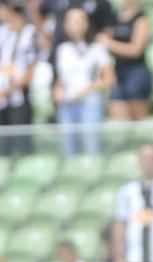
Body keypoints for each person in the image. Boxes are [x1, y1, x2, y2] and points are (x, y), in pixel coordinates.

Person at [53, 6, 113, 156]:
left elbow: (109, 79)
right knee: (68, 146)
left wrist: (87, 90)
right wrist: (58, 90)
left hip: (89, 101)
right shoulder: (62, 50)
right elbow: (62, 79)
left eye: (78, 20)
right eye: (70, 21)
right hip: (67, 103)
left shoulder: (97, 48)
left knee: (91, 144)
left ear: (86, 23)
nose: (74, 24)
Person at [0, 0, 38, 156]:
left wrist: (7, 90)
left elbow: (30, 72)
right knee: (4, 146)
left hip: (21, 97)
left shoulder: (30, 34)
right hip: (2, 97)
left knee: (22, 145)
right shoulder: (3, 33)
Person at [101, 0, 151, 121]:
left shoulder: (141, 19)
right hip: (118, 71)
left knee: (138, 122)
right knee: (120, 123)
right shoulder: (115, 18)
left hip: (136, 72)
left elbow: (136, 50)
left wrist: (109, 43)